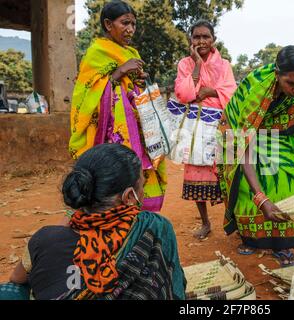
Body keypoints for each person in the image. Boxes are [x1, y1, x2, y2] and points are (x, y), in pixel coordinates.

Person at [6, 144, 186, 300]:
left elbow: (16, 280)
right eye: (142, 186)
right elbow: (174, 287)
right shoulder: (154, 230)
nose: (143, 193)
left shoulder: (43, 239)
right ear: (130, 196)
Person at [218, 46, 294, 267]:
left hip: (275, 128)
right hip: (237, 129)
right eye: (291, 83)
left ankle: (284, 242)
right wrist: (261, 199)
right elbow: (243, 147)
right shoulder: (258, 90)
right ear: (278, 74)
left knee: (285, 174)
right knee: (244, 180)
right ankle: (251, 238)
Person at [69, 1, 166, 213]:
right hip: (109, 134)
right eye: (125, 23)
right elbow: (84, 94)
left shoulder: (132, 53)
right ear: (108, 24)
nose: (130, 29)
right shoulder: (96, 53)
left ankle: (138, 220)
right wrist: (119, 72)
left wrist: (139, 83)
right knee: (113, 178)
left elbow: (131, 90)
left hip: (136, 130)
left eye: (133, 24)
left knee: (137, 172)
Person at [174, 20, 237, 239]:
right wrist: (198, 64)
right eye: (196, 37)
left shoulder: (224, 65)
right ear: (191, 41)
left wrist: (209, 92)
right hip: (195, 127)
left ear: (213, 40)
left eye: (205, 37)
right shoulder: (184, 64)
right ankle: (205, 222)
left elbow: (231, 94)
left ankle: (234, 221)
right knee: (196, 173)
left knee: (227, 174)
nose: (201, 41)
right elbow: (184, 95)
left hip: (219, 125)